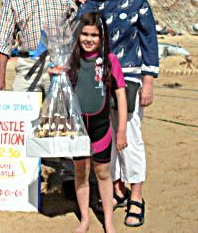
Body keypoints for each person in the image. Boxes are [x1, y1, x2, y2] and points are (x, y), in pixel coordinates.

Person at [78, 0, 159, 227]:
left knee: (130, 136)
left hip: (131, 77)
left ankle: (136, 194)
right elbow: (81, 42)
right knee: (105, 137)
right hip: (99, 78)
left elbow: (150, 42)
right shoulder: (88, 6)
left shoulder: (138, 1)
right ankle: (115, 187)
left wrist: (148, 81)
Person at [69, 12, 127, 233]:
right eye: (84, 34)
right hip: (78, 129)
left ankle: (108, 222)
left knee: (103, 173)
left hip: (101, 128)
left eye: (94, 35)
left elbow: (120, 95)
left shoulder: (110, 62)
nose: (88, 39)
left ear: (102, 38)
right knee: (81, 172)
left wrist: (121, 130)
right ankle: (84, 219)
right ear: (78, 35)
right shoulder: (71, 60)